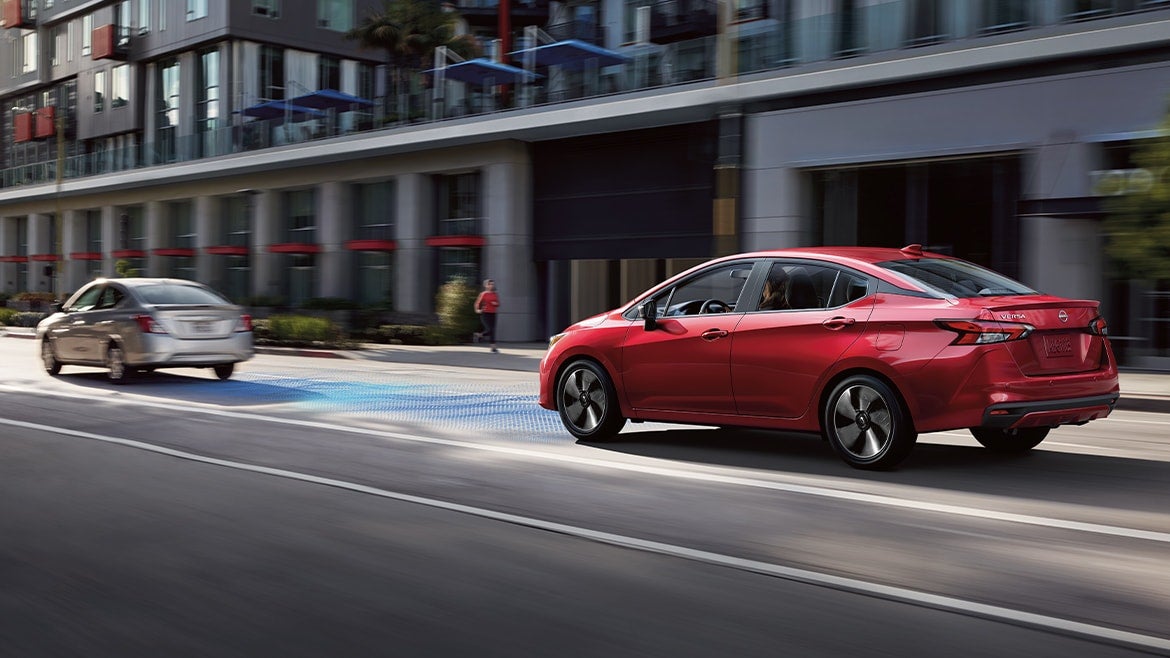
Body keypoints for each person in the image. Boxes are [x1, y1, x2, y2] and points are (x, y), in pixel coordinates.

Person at [474, 278, 500, 353]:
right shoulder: (483, 294)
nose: (491, 285)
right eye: (490, 284)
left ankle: (493, 348)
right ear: (486, 285)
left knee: (493, 331)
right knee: (489, 330)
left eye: (492, 284)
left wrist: (496, 304)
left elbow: (498, 303)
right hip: (485, 313)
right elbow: (477, 303)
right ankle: (479, 335)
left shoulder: (495, 294)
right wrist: (477, 310)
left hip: (493, 313)